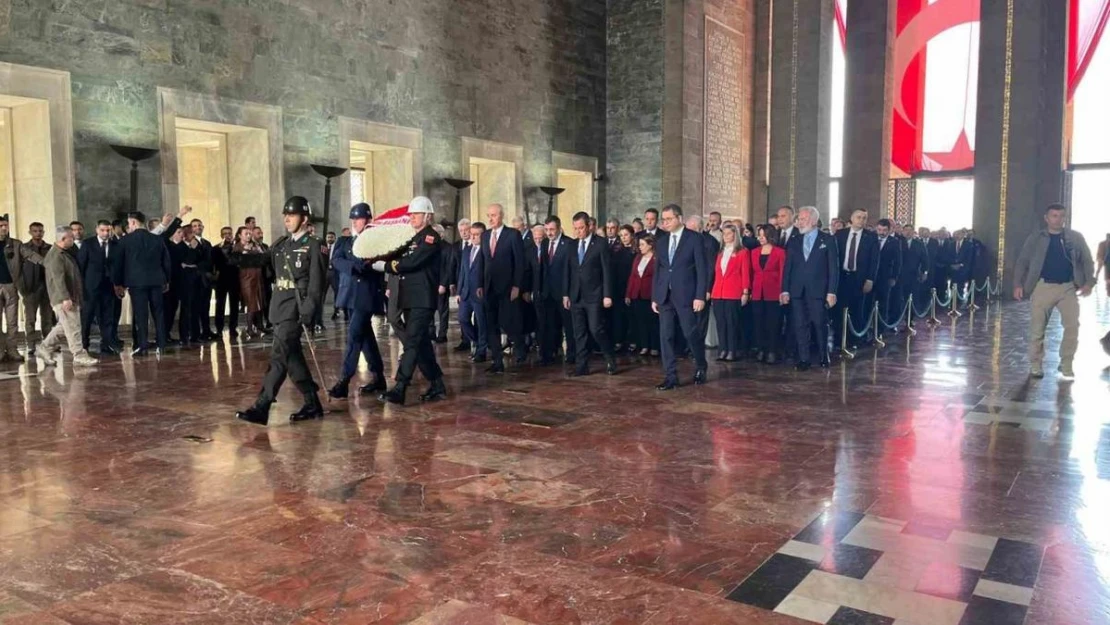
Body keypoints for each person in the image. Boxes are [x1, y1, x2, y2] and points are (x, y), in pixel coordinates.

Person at [236, 196, 326, 425]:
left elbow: (316, 283)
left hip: (296, 310)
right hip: (279, 306)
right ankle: (312, 403)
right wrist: (238, 255)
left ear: (304, 219)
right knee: (292, 358)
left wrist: (309, 311)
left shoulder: (315, 245)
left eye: (292, 215)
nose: (287, 219)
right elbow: (262, 261)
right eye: (285, 215)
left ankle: (262, 406)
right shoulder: (281, 244)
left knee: (278, 357)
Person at [1013, 203, 1095, 379]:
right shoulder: (1036, 238)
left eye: (1061, 216)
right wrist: (1017, 284)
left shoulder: (1075, 238)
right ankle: (1035, 364)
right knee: (1037, 329)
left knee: (1073, 327)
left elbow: (1087, 260)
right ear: (1047, 218)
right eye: (1054, 216)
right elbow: (1022, 261)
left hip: (1068, 288)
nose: (1058, 220)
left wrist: (1089, 282)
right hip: (1043, 287)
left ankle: (1066, 363)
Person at [378, 196, 448, 405]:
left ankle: (400, 387)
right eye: (411, 214)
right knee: (420, 343)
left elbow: (411, 262)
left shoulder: (430, 237)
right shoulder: (413, 238)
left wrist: (387, 266)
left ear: (428, 216)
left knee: (413, 341)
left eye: (416, 214)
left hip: (423, 298)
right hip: (410, 297)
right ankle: (437, 383)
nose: (412, 218)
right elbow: (398, 255)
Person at [328, 203, 387, 399]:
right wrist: (354, 265)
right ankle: (379, 377)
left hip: (367, 295)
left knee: (354, 335)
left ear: (368, 220)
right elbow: (336, 260)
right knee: (365, 336)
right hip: (350, 294)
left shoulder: (375, 242)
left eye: (359, 218)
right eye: (353, 219)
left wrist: (353, 264)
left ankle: (344, 380)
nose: (355, 222)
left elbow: (367, 265)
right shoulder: (345, 242)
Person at [652, 204, 708, 390]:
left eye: (668, 219)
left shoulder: (694, 239)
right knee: (665, 336)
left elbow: (702, 269)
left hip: (686, 294)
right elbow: (659, 271)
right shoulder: (661, 242)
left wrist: (700, 295)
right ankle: (671, 376)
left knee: (690, 333)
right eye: (664, 219)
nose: (665, 223)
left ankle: (701, 365)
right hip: (665, 295)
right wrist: (655, 296)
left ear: (679, 218)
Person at [781, 206, 839, 370]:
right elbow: (788, 268)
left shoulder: (827, 239)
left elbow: (833, 268)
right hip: (797, 290)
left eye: (804, 219)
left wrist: (831, 291)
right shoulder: (794, 240)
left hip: (818, 291)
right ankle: (804, 358)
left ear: (813, 221)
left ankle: (823, 355)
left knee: (820, 324)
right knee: (800, 325)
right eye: (799, 219)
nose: (799, 222)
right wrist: (785, 290)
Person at [32, 227, 97, 367]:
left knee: (63, 327)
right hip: (64, 298)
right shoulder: (55, 256)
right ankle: (79, 354)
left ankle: (44, 348)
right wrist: (65, 298)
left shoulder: (63, 253)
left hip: (71, 296)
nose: (73, 240)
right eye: (70, 238)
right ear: (63, 239)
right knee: (73, 327)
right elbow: (58, 279)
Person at [112, 211, 172, 356]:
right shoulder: (157, 239)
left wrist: (118, 283)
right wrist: (166, 280)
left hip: (136, 283)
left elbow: (118, 264)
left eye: (129, 223)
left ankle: (143, 345)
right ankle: (161, 345)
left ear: (133, 222)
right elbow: (166, 261)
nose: (128, 226)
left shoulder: (125, 241)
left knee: (141, 314)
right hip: (157, 282)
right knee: (158, 313)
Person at [564, 211, 616, 376]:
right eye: (575, 228)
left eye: (581, 228)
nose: (578, 231)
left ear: (588, 226)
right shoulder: (571, 245)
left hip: (594, 295)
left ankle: (609, 356)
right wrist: (566, 294)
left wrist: (607, 295)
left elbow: (607, 271)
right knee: (579, 332)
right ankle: (582, 366)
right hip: (576, 295)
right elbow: (568, 271)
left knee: (596, 329)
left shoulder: (600, 244)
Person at [480, 203, 525, 372]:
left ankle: (520, 349)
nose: (491, 219)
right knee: (491, 324)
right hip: (489, 288)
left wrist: (517, 286)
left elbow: (520, 263)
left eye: (494, 215)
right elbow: (482, 262)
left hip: (507, 288)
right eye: (489, 215)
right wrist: (480, 284)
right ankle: (497, 361)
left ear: (502, 215)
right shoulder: (485, 236)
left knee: (509, 322)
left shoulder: (512, 235)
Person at [833, 209, 878, 349]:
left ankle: (854, 339)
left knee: (857, 308)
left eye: (864, 218)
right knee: (839, 308)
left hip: (859, 278)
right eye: (858, 217)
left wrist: (870, 279)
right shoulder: (840, 234)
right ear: (851, 218)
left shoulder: (870, 237)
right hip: (842, 277)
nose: (861, 220)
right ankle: (838, 339)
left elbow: (874, 260)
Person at [77, 220, 120, 354]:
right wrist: (81, 287)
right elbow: (80, 267)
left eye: (108, 230)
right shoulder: (88, 244)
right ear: (96, 230)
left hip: (108, 287)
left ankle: (107, 344)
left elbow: (119, 266)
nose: (105, 233)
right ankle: (84, 344)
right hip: (90, 288)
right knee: (87, 317)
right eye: (102, 230)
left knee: (108, 317)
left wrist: (119, 284)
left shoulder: (115, 244)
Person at [711, 223, 751, 362]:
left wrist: (745, 292)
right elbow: (716, 273)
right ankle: (722, 349)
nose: (726, 236)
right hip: (718, 292)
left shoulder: (742, 252)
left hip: (733, 292)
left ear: (735, 235)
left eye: (729, 233)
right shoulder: (721, 252)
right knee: (720, 323)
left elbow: (745, 273)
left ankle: (732, 350)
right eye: (724, 233)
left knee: (731, 323)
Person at [539, 215, 574, 365]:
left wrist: (568, 293)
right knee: (549, 325)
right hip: (548, 292)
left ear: (559, 228)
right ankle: (549, 354)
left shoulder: (569, 244)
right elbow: (543, 269)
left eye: (552, 229)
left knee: (568, 325)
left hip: (564, 292)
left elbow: (572, 271)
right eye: (546, 229)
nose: (549, 233)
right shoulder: (545, 243)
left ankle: (572, 355)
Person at [751, 224, 785, 363]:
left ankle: (772, 351)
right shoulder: (754, 252)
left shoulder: (780, 252)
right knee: (758, 323)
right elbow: (752, 272)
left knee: (773, 323)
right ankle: (761, 350)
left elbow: (783, 273)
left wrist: (783, 292)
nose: (761, 238)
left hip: (774, 292)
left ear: (770, 235)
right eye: (759, 235)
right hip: (757, 292)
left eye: (763, 235)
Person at [19, 222, 53, 347]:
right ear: (30, 232)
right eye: (35, 231)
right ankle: (31, 344)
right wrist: (22, 286)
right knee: (30, 318)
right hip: (30, 287)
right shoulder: (23, 248)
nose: (38, 233)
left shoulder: (49, 248)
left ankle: (48, 344)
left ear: (43, 232)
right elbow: (18, 269)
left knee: (47, 317)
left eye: (40, 231)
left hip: (47, 286)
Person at [458, 221, 488, 362]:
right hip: (465, 292)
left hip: (479, 292)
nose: (474, 237)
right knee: (463, 319)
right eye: (473, 234)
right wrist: (459, 291)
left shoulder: (487, 251)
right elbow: (462, 272)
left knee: (481, 322)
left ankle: (481, 351)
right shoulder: (466, 250)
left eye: (477, 235)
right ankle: (476, 341)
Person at [230, 226, 267, 339]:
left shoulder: (255, 246)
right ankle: (249, 327)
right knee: (251, 302)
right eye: (246, 233)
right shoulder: (237, 247)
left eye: (249, 233)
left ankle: (260, 325)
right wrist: (247, 252)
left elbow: (262, 258)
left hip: (257, 276)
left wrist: (255, 252)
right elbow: (238, 261)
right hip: (246, 277)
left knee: (259, 300)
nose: (248, 236)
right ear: (240, 235)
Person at [625, 234, 658, 356]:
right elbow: (632, 276)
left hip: (650, 295)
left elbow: (657, 278)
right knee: (640, 321)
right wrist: (628, 294)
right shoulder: (638, 258)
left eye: (643, 244)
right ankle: (644, 345)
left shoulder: (656, 258)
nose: (640, 247)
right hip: (636, 294)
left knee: (653, 322)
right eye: (639, 245)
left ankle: (654, 346)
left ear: (650, 245)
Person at [609, 225, 636, 352]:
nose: (624, 238)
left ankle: (632, 340)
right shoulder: (616, 251)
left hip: (631, 287)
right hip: (618, 287)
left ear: (631, 235)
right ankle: (619, 340)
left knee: (631, 316)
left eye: (626, 235)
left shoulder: (636, 252)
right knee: (618, 315)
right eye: (621, 236)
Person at [874, 218, 903, 326]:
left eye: (884, 230)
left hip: (885, 277)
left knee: (883, 303)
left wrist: (894, 277)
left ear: (889, 230)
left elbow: (898, 262)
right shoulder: (871, 239)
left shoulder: (894, 242)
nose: (882, 232)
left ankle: (881, 328)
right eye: (880, 230)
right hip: (870, 277)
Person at [213, 225, 240, 337]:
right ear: (221, 235)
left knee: (234, 305)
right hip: (221, 280)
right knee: (220, 304)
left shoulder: (237, 248)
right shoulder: (216, 248)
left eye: (229, 233)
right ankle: (219, 328)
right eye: (225, 234)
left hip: (234, 279)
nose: (228, 236)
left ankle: (233, 328)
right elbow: (215, 265)